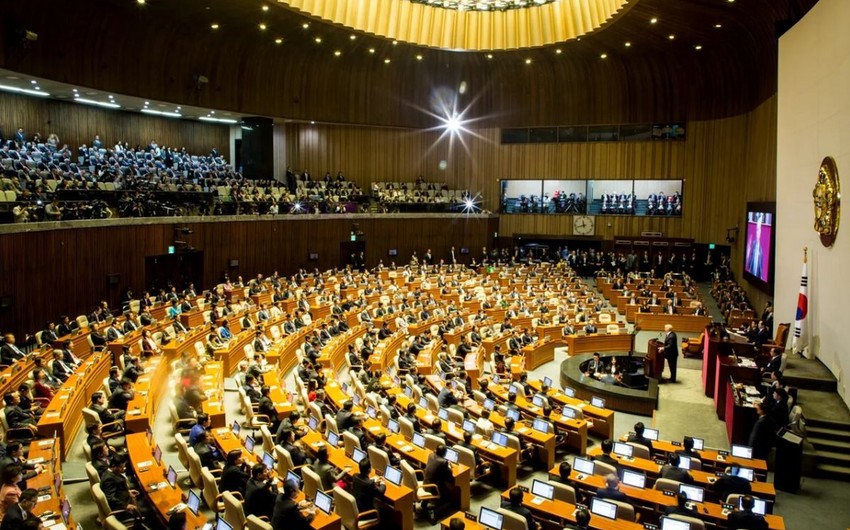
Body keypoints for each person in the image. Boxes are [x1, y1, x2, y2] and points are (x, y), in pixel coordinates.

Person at [423, 445, 454, 523]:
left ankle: (425, 503)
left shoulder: (431, 455)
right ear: (445, 454)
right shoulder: (443, 462)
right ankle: (434, 511)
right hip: (434, 488)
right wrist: (449, 466)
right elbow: (449, 475)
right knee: (449, 495)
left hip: (425, 483)